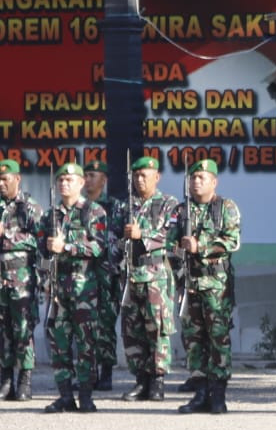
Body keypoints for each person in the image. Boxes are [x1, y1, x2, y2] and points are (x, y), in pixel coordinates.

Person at [173, 160, 242, 414]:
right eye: (193, 177)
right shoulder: (181, 211)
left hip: (216, 286)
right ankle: (200, 392)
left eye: (202, 177)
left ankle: (218, 394)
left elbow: (232, 241)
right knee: (193, 339)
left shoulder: (226, 208)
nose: (196, 181)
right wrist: (178, 256)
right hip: (190, 284)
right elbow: (171, 246)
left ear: (214, 181)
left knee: (218, 339)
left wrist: (199, 246)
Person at [40, 163, 108, 412]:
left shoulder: (93, 212)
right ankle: (65, 394)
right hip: (58, 288)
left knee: (86, 342)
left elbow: (98, 248)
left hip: (83, 288)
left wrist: (67, 247)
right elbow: (41, 252)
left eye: (69, 180)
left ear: (80, 183)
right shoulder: (50, 215)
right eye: (60, 180)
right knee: (59, 342)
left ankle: (87, 394)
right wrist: (45, 278)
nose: (63, 184)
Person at [118, 156, 183, 401]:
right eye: (136, 175)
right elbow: (112, 237)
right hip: (130, 275)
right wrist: (122, 242)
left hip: (155, 275)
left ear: (156, 177)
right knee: (132, 330)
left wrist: (141, 234)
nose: (139, 179)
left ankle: (157, 380)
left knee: (157, 328)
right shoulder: (125, 206)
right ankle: (140, 380)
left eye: (144, 175)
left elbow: (170, 237)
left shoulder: (169, 204)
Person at [0, 159, 44, 400]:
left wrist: (6, 234)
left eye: (5, 179)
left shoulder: (29, 207)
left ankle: (25, 379)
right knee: (2, 330)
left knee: (23, 329)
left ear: (17, 179)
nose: (0, 184)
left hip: (21, 278)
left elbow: (38, 240)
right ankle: (5, 379)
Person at [81, 159, 127, 391]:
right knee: (82, 325)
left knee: (105, 324)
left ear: (104, 179)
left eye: (92, 175)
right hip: (80, 276)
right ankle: (86, 372)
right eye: (86, 175)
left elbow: (122, 240)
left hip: (107, 275)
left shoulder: (114, 207)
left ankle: (106, 371)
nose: (87, 179)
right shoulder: (77, 207)